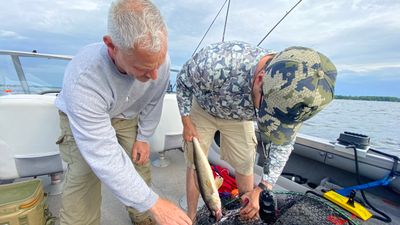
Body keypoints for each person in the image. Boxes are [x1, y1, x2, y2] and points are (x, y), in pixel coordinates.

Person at [55, 0, 191, 225]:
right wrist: (154, 202)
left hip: (128, 114)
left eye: (158, 64)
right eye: (143, 68)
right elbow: (102, 153)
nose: (155, 76)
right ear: (112, 46)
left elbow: (154, 99)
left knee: (139, 164)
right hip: (83, 119)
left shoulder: (157, 62)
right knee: (83, 176)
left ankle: (144, 217)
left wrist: (143, 137)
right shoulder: (84, 78)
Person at [176, 41, 337, 222]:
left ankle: (247, 211)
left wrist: (262, 188)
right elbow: (182, 82)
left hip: (239, 118)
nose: (268, 120)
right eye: (267, 110)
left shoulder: (295, 102)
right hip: (204, 109)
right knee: (195, 164)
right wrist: (186, 121)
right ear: (260, 79)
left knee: (245, 161)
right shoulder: (215, 62)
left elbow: (282, 146)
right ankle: (190, 215)